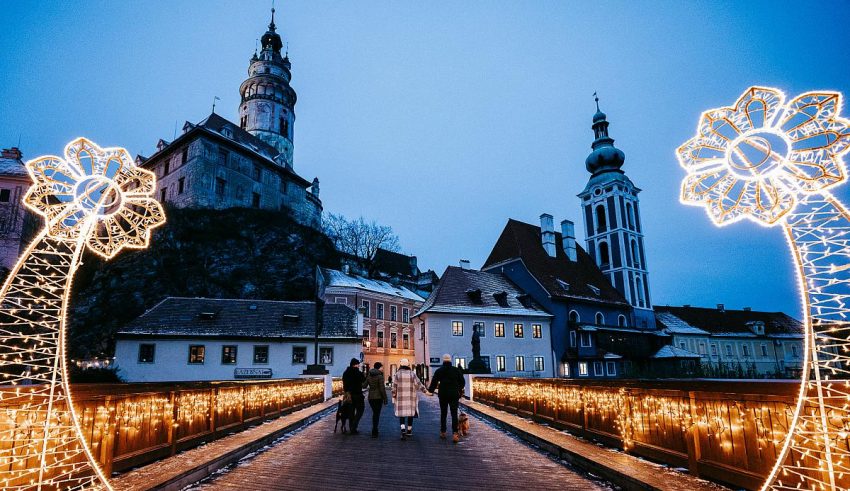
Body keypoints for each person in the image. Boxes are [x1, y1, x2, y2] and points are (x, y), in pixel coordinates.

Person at [428, 353, 466, 443]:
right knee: (454, 414)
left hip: (443, 394)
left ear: (443, 360)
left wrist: (430, 391)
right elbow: (462, 382)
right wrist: (458, 389)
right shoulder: (456, 370)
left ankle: (443, 432)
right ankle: (455, 433)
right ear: (450, 360)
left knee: (443, 413)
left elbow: (434, 381)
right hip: (454, 394)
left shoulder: (439, 370)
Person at [392, 358, 428, 440]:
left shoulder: (397, 374)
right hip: (411, 397)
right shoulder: (412, 374)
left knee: (401, 415)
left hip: (400, 397)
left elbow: (394, 387)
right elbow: (419, 383)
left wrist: (394, 395)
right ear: (408, 365)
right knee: (410, 414)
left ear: (401, 365)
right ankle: (409, 431)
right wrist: (425, 391)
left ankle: (403, 430)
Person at [363, 361, 388, 438]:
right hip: (378, 398)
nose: (382, 368)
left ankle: (374, 429)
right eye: (382, 367)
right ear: (379, 367)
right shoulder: (380, 376)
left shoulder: (369, 375)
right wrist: (385, 398)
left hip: (371, 397)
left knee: (375, 413)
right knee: (376, 414)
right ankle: (374, 430)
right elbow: (382, 389)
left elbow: (364, 385)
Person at [342, 358, 366, 435]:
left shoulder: (346, 372)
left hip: (349, 395)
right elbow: (363, 380)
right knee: (360, 410)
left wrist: (346, 391)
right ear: (355, 364)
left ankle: (351, 427)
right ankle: (354, 426)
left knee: (351, 412)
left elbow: (344, 383)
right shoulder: (358, 373)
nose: (359, 365)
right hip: (358, 394)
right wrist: (363, 373)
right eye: (358, 364)